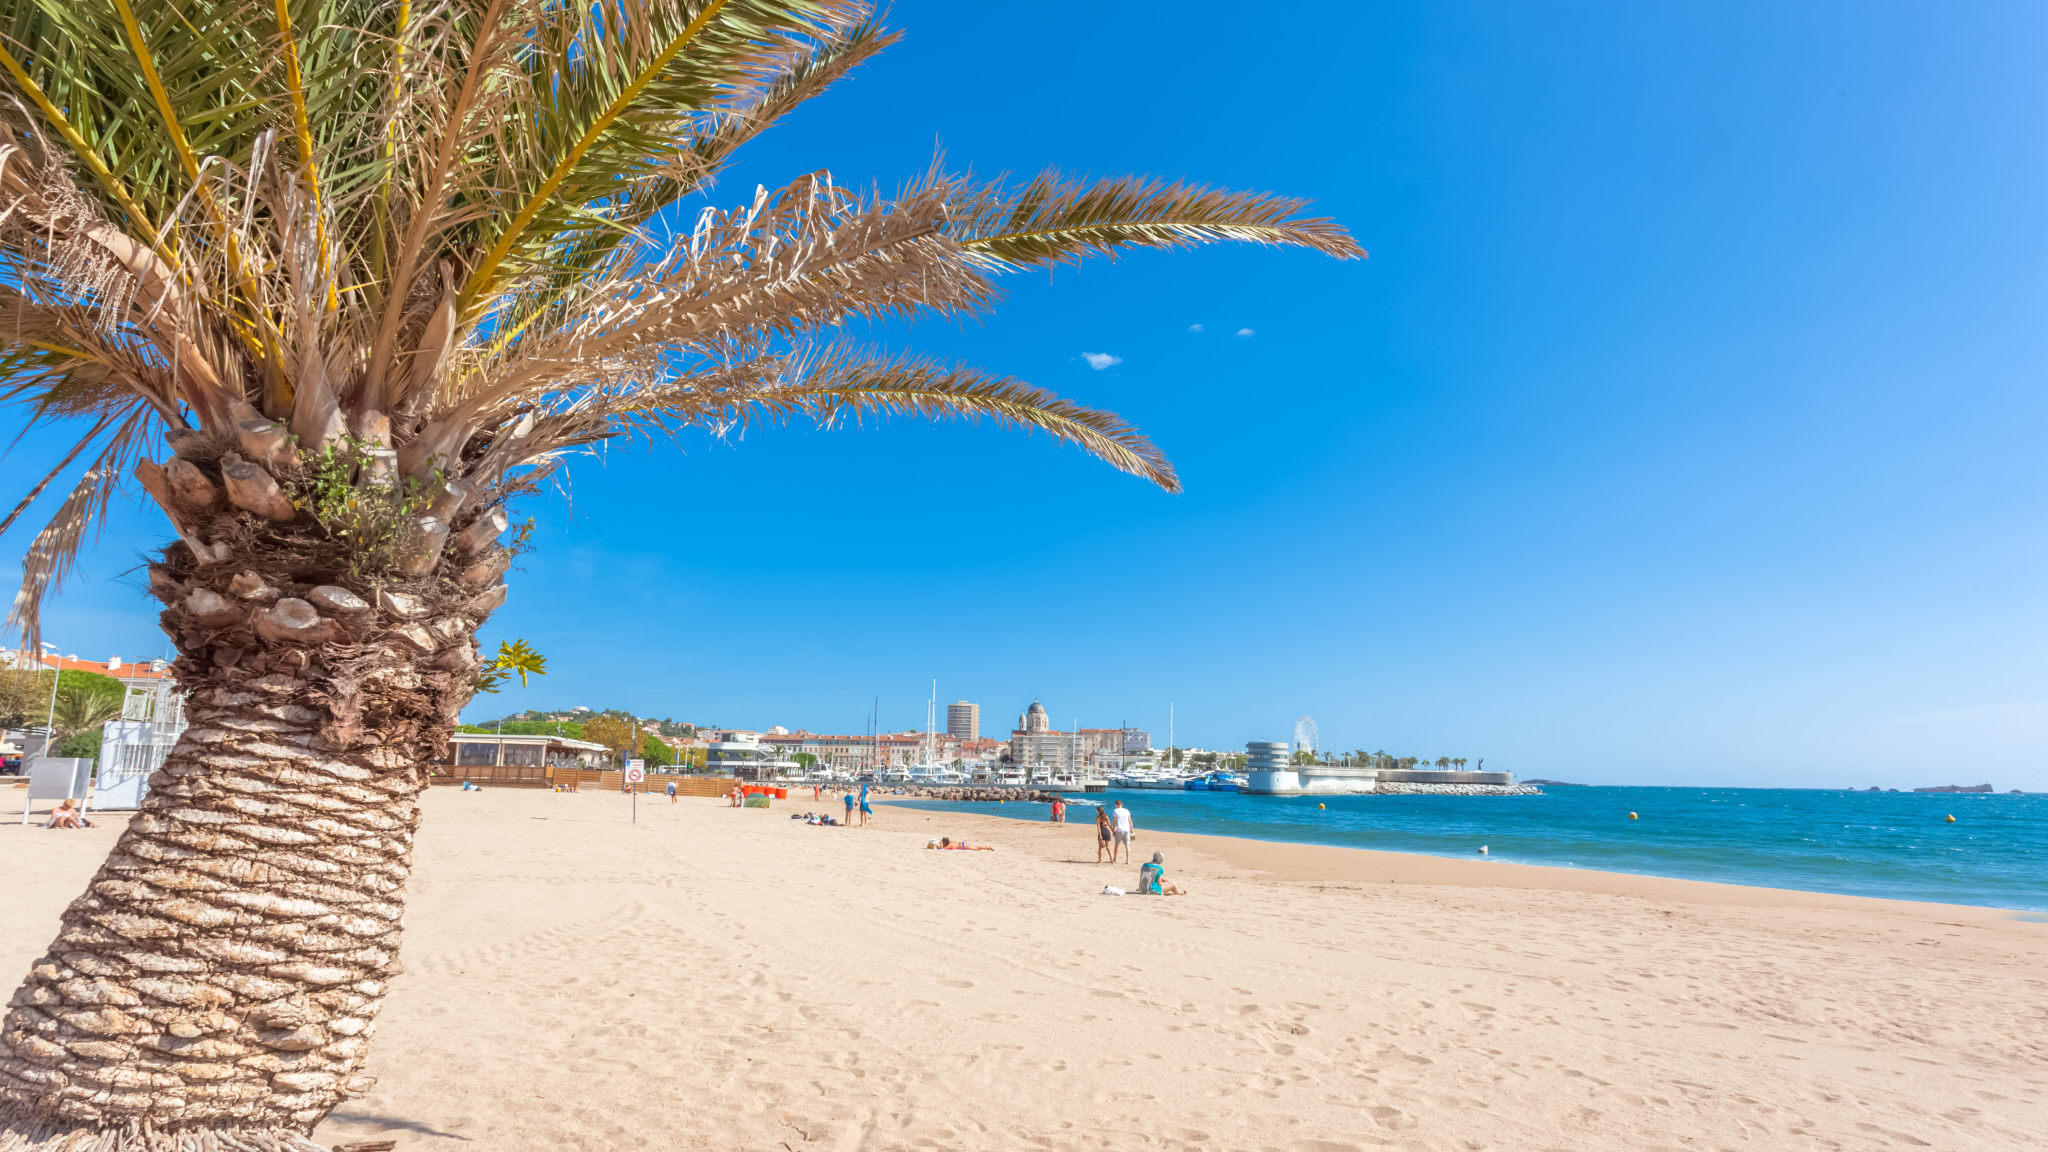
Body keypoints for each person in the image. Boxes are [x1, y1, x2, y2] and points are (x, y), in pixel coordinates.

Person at [1109, 800, 1133, 864]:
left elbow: (1114, 822)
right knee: (1127, 846)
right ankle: (1127, 860)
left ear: (1116, 804)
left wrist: (1113, 831)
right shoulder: (1126, 810)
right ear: (1121, 804)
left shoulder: (1115, 811)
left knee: (1116, 845)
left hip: (1119, 830)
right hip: (1127, 830)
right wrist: (1131, 830)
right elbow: (1130, 821)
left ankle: (1115, 859)